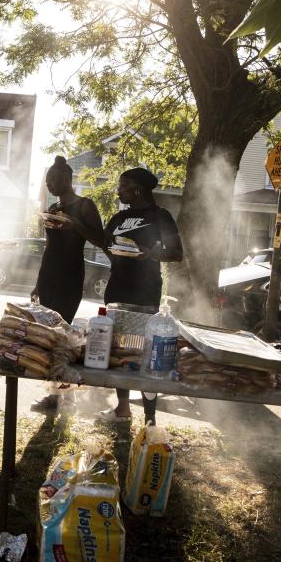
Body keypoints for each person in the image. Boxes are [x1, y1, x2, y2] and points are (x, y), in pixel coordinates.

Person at [98, 167, 183, 425]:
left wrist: (151, 253)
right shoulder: (118, 218)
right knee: (119, 350)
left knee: (148, 354)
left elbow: (177, 253)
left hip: (145, 292)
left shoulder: (160, 217)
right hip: (117, 289)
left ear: (138, 189)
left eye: (123, 185)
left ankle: (150, 417)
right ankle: (123, 409)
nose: (118, 190)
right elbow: (105, 243)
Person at [29, 155, 104, 413]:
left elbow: (101, 240)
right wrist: (38, 282)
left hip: (70, 275)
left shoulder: (85, 206)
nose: (49, 184)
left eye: (53, 179)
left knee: (63, 337)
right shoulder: (52, 209)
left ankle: (68, 397)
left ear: (68, 179)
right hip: (49, 275)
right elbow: (49, 247)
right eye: (47, 180)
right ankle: (52, 396)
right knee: (49, 336)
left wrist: (75, 225)